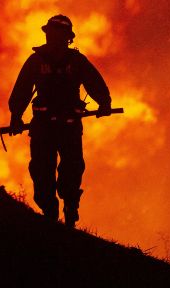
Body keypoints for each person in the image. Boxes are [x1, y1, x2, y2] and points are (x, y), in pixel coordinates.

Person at [8, 14, 112, 227]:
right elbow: (22, 89)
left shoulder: (77, 61)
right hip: (44, 127)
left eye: (57, 33)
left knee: (72, 169)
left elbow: (94, 82)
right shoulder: (36, 61)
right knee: (41, 171)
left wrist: (104, 102)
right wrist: (16, 115)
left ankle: (70, 205)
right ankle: (50, 213)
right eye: (50, 33)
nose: (52, 38)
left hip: (69, 126)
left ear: (67, 37)